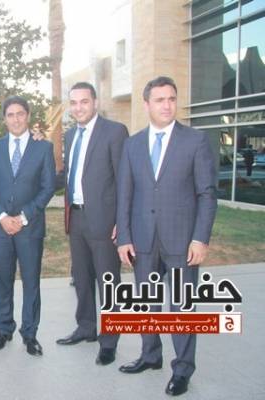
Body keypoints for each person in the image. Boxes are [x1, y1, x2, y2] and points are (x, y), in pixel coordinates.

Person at [116, 76, 217, 396]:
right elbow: (125, 194)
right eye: (159, 100)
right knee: (146, 302)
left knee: (182, 307)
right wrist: (124, 237)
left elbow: (207, 194)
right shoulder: (132, 144)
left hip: (182, 241)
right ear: (147, 104)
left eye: (171, 98)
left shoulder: (195, 141)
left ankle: (182, 369)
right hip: (143, 240)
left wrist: (200, 238)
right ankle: (150, 355)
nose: (167, 105)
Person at [55, 82, 128, 366]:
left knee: (108, 281)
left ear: (95, 102)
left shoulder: (114, 132)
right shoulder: (71, 135)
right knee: (82, 278)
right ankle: (86, 327)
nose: (78, 107)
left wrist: (122, 221)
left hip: (105, 221)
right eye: (73, 103)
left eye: (84, 101)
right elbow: (69, 175)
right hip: (77, 218)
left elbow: (124, 180)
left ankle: (109, 341)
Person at [0, 96, 56, 356]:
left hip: (30, 228)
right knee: (3, 280)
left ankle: (30, 334)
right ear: (4, 119)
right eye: (10, 114)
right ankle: (4, 329)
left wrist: (23, 217)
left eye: (20, 113)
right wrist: (2, 217)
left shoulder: (43, 147)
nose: (16, 119)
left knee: (31, 282)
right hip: (1, 227)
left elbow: (48, 187)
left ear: (28, 115)